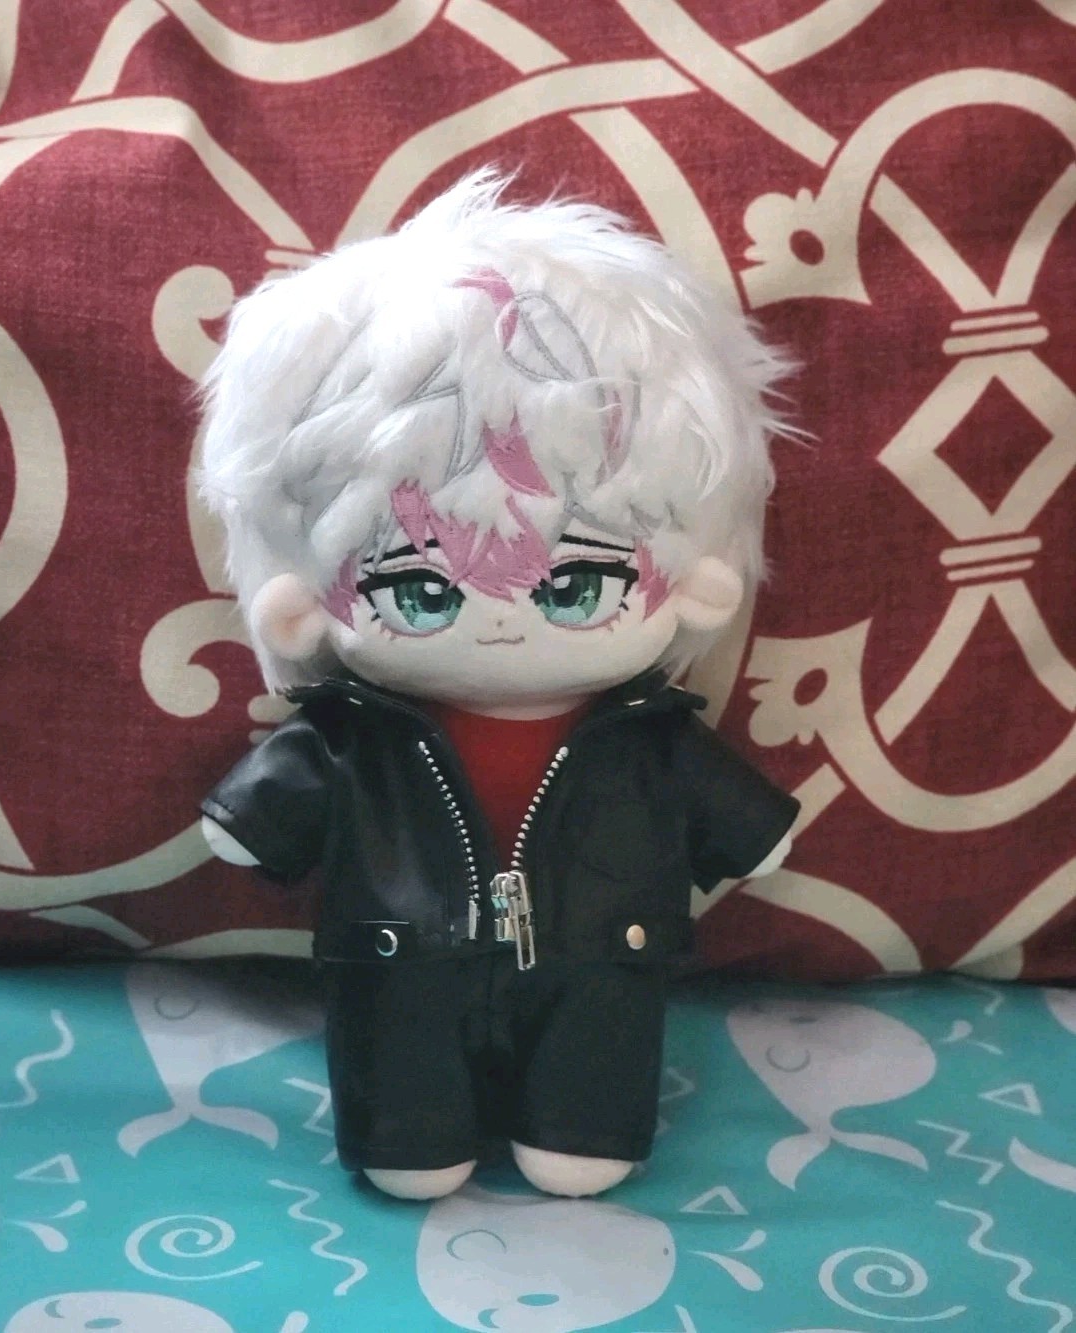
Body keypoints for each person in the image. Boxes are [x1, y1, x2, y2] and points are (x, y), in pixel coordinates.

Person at [197, 172, 799, 1200]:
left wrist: (752, 832)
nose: (508, 616)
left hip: (604, 971)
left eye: (576, 583)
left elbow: (745, 826)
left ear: (696, 586)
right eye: (421, 590)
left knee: (588, 1120)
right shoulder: (349, 736)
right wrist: (251, 820)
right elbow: (264, 815)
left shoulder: (650, 737)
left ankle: (580, 1120)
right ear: (304, 607)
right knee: (407, 1138)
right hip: (397, 971)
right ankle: (408, 1129)